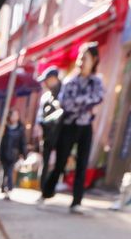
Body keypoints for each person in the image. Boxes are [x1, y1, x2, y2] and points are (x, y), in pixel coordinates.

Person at [39, 42, 104, 214]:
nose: (81, 61)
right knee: (61, 161)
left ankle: (76, 201)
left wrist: (78, 103)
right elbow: (65, 103)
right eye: (80, 57)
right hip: (68, 126)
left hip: (85, 127)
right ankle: (47, 192)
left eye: (85, 58)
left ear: (94, 60)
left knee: (82, 163)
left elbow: (97, 98)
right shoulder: (70, 80)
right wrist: (84, 103)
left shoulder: (96, 81)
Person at [36, 66, 63, 189]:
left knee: (59, 162)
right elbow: (41, 116)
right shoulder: (46, 96)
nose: (45, 83)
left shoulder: (64, 92)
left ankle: (53, 186)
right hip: (47, 135)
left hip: (60, 134)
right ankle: (43, 189)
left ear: (54, 78)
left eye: (47, 79)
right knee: (45, 162)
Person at [0, 109, 27, 200]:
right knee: (4, 171)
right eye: (13, 115)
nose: (14, 117)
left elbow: (23, 142)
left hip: (13, 153)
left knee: (10, 172)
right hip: (4, 153)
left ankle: (9, 188)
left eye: (16, 115)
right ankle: (4, 187)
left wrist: (23, 153)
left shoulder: (20, 128)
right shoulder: (5, 127)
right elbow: (1, 142)